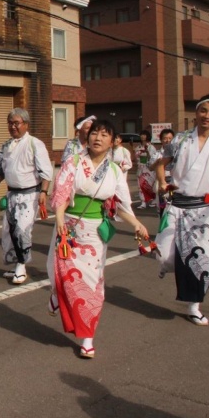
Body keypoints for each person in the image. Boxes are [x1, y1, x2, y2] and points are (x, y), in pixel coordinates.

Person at [46, 120, 148, 359]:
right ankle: (56, 295)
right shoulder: (73, 163)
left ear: (113, 141)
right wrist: (59, 219)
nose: (97, 138)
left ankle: (87, 337)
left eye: (104, 134)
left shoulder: (114, 171)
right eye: (94, 133)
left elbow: (120, 205)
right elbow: (61, 193)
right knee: (58, 273)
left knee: (92, 285)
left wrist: (136, 224)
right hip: (68, 228)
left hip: (93, 235)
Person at [155, 92, 209, 326]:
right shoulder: (181, 139)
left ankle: (194, 305)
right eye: (203, 111)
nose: (207, 115)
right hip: (177, 206)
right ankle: (167, 265)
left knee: (203, 261)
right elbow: (161, 163)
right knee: (165, 255)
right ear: (195, 114)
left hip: (203, 210)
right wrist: (163, 182)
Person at [0, 108, 54, 284]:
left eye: (16, 123)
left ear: (26, 124)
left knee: (22, 230)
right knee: (9, 231)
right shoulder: (5, 146)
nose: (13, 126)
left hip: (30, 194)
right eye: (10, 123)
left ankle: (22, 265)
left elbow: (46, 172)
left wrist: (44, 192)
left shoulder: (35, 144)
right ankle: (16, 263)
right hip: (11, 194)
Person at [149, 128, 175, 217]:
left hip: (174, 183)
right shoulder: (157, 154)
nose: (167, 140)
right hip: (161, 184)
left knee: (174, 207)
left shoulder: (178, 153)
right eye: (165, 138)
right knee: (162, 207)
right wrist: (158, 162)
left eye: (170, 138)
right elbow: (150, 167)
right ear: (161, 140)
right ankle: (162, 226)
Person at [133, 130, 158, 209]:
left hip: (149, 169)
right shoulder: (138, 147)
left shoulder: (151, 147)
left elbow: (153, 158)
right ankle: (143, 202)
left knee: (150, 186)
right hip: (140, 168)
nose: (143, 136)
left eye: (144, 135)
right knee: (140, 185)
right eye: (141, 135)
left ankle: (153, 199)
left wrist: (147, 152)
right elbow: (136, 158)